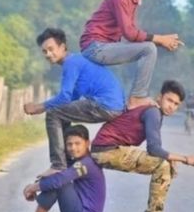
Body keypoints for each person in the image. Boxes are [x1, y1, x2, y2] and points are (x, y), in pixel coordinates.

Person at [91, 80, 194, 212]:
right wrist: (184, 158)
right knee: (163, 165)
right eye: (169, 100)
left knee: (165, 163)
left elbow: (156, 149)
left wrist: (170, 158)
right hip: (107, 150)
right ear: (160, 97)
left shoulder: (154, 112)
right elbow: (154, 149)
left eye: (176, 104)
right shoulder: (153, 112)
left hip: (106, 149)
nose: (171, 106)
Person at [80, 0, 184, 110]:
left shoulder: (134, 0)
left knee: (147, 47)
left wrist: (163, 41)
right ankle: (137, 97)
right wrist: (160, 39)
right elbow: (130, 33)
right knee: (149, 48)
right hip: (95, 47)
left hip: (104, 46)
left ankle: (131, 98)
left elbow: (131, 35)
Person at [24, 28, 125, 174]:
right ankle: (68, 160)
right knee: (61, 112)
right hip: (112, 106)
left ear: (63, 47)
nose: (48, 54)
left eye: (51, 49)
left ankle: (58, 164)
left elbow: (64, 97)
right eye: (44, 51)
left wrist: (40, 107)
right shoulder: (77, 61)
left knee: (53, 113)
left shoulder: (71, 63)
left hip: (105, 104)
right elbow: (72, 98)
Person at [8, 125, 105, 212]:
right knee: (56, 177)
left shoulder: (86, 164)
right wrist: (37, 185)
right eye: (69, 144)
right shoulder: (79, 161)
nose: (73, 148)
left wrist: (33, 187)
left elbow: (60, 179)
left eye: (77, 143)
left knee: (59, 182)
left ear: (87, 143)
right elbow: (58, 174)